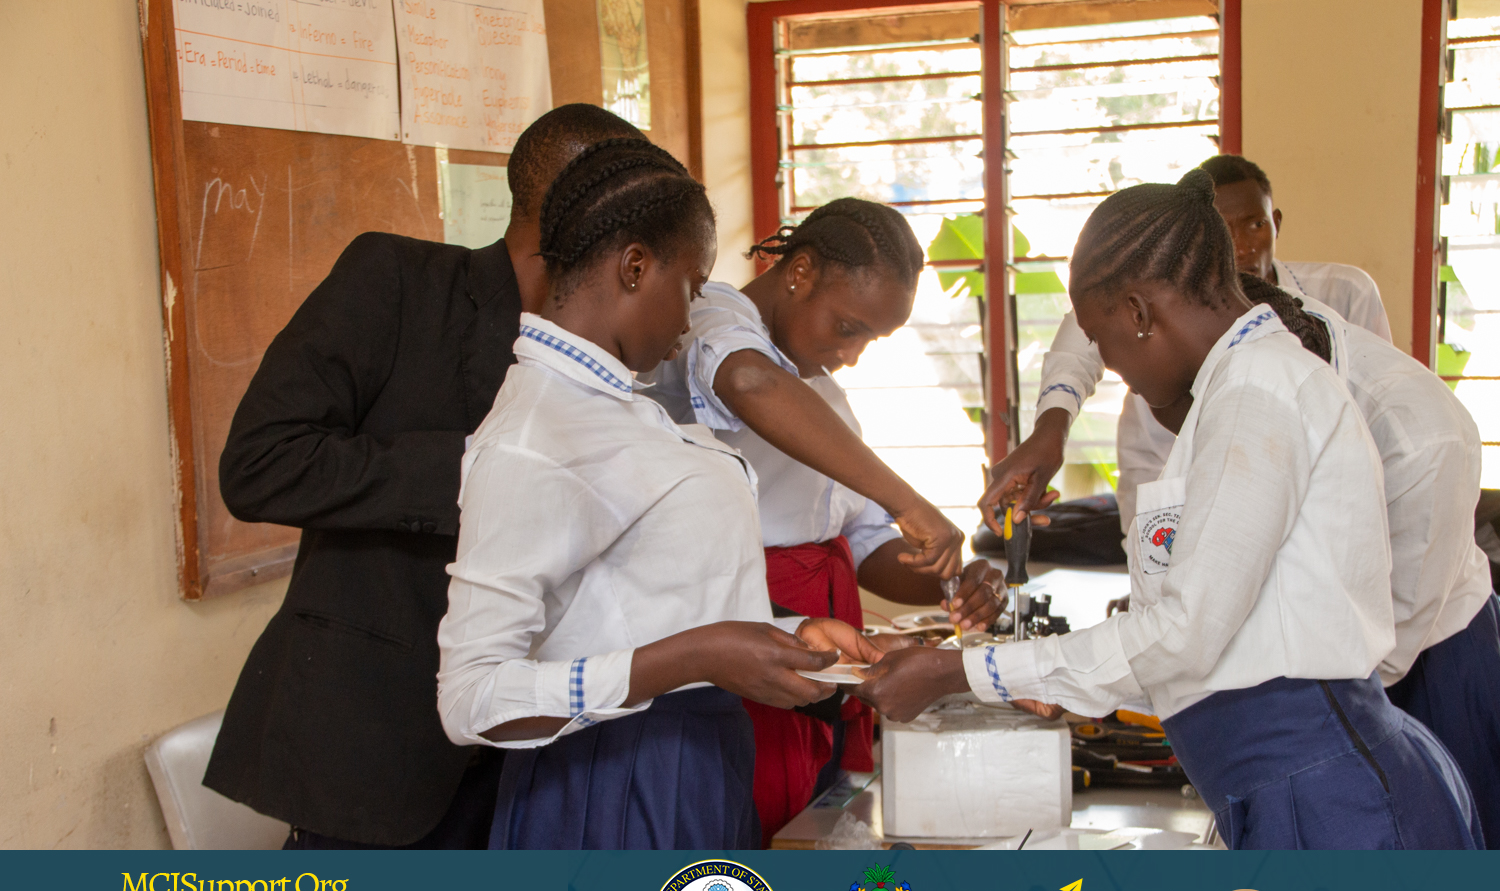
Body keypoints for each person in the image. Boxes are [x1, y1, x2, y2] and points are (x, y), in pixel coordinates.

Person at [856, 171, 1483, 850]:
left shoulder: (1257, 394)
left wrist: (962, 673)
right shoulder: (1238, 386)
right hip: (1291, 783)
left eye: (1109, 346)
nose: (1116, 371)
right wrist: (1070, 678)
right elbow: (1228, 640)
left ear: (1139, 313)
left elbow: (1187, 633)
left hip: (1332, 802)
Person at [205, 105, 645, 850]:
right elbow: (260, 464)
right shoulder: (399, 284)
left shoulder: (607, 356)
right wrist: (482, 472)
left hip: (536, 755)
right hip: (380, 748)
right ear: (580, 211)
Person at [436, 138, 886, 850]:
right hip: (608, 788)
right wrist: (695, 658)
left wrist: (781, 628)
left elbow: (637, 597)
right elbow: (472, 698)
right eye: (692, 286)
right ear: (635, 267)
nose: (691, 318)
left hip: (693, 766)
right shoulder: (535, 433)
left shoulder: (626, 405)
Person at [643, 198, 1005, 844]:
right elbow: (749, 382)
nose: (855, 354)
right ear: (800, 272)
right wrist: (909, 502)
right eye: (848, 327)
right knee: (737, 849)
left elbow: (867, 550)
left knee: (810, 829)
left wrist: (955, 579)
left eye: (871, 339)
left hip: (821, 656)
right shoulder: (711, 318)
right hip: (743, 644)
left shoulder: (824, 397)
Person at [988, 153, 1393, 530]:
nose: (1243, 245)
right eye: (1224, 227)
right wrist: (1049, 434)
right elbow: (1084, 329)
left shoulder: (1340, 295)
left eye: (1256, 224)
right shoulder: (1151, 315)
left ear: (1277, 222)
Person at [1241, 274, 1500, 846]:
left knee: (1446, 872)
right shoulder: (1266, 339)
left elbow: (1388, 645)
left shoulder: (1421, 441)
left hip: (1433, 660)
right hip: (1331, 659)